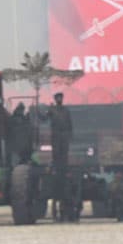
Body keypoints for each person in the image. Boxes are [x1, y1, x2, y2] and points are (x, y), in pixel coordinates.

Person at [49, 93, 74, 222]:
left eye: (60, 98)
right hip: (56, 135)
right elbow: (44, 119)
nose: (59, 99)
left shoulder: (66, 110)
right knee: (57, 153)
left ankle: (63, 164)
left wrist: (70, 135)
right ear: (55, 99)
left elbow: (69, 124)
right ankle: (57, 164)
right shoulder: (52, 110)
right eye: (57, 98)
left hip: (63, 135)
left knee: (64, 153)